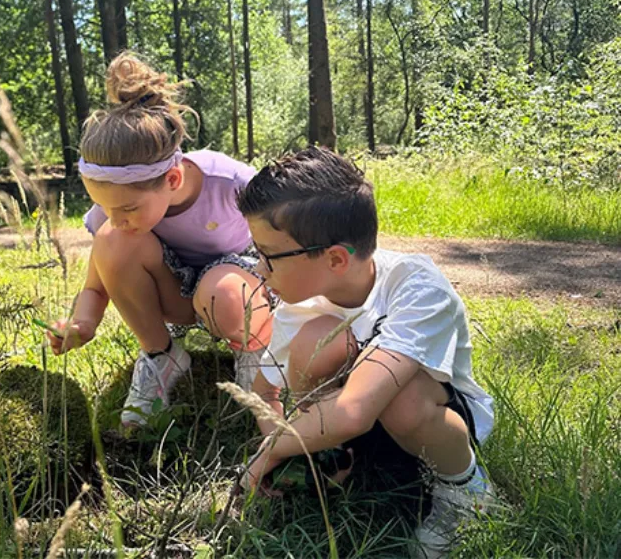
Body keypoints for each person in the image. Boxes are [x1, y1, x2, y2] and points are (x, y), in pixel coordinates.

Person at [235, 146, 495, 558]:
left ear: (336, 258)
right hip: (352, 432)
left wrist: (273, 451)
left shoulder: (418, 290)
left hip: (427, 424)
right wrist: (285, 439)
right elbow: (264, 390)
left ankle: (464, 490)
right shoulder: (300, 303)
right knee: (316, 336)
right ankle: (337, 464)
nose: (258, 268)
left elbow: (355, 410)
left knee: (402, 397)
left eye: (268, 255)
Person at [47, 53, 274, 428]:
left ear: (171, 181)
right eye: (104, 206)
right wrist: (82, 323)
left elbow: (285, 234)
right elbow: (95, 285)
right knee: (112, 242)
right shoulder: (116, 212)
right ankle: (161, 356)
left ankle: (255, 350)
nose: (115, 217)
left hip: (240, 286)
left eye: (128, 209)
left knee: (227, 295)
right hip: (178, 292)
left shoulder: (229, 182)